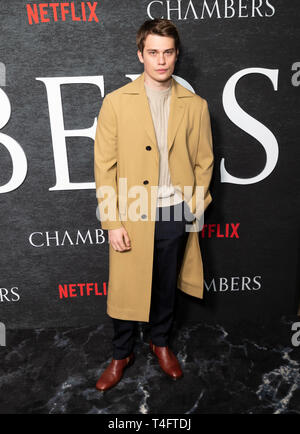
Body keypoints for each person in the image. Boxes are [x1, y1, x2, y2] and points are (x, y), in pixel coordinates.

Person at [94, 18, 214, 391]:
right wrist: (112, 222)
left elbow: (204, 162)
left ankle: (160, 343)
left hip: (175, 210)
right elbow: (104, 166)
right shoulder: (116, 102)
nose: (161, 60)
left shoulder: (195, 106)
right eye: (153, 52)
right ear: (140, 55)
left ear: (176, 56)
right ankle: (121, 352)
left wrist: (193, 207)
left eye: (167, 52)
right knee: (127, 286)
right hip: (131, 210)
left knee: (165, 286)